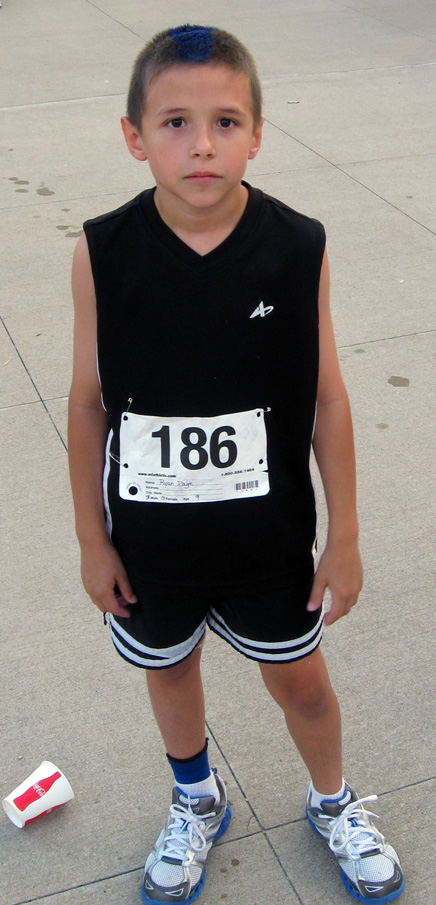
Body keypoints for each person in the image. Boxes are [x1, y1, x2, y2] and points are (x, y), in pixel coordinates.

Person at [68, 24, 405, 905]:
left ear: (257, 133)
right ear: (135, 136)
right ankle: (196, 798)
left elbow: (327, 397)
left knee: (302, 682)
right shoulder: (102, 250)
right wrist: (92, 539)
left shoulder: (297, 246)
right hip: (152, 540)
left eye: (225, 121)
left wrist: (345, 536)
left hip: (267, 537)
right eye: (175, 123)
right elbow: (88, 402)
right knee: (169, 668)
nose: (202, 145)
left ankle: (332, 801)